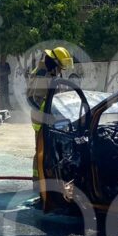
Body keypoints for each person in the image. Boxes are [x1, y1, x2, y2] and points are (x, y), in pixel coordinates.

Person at [27, 47, 74, 180]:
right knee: (42, 150)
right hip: (42, 120)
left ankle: (49, 177)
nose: (61, 69)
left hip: (51, 119)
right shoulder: (43, 74)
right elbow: (33, 99)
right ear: (54, 62)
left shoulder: (51, 72)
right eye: (60, 66)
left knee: (51, 150)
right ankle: (38, 180)